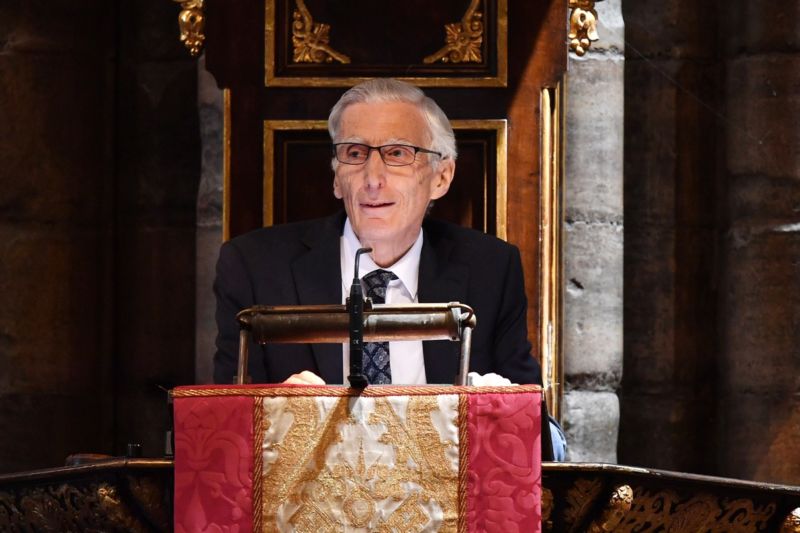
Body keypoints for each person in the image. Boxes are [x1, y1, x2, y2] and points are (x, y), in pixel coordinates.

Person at [213, 78, 566, 459]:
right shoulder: (255, 267)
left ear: (441, 177)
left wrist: (501, 411)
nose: (373, 179)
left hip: (447, 505)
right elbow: (222, 437)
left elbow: (538, 439)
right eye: (355, 153)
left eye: (397, 154)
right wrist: (275, 415)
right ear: (336, 177)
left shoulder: (491, 270)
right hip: (309, 504)